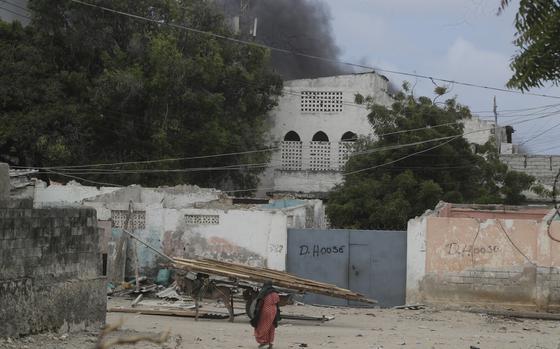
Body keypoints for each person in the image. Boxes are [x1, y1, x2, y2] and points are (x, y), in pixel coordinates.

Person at [250, 281, 281, 349]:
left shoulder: (263, 292)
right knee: (271, 326)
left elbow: (260, 302)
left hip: (266, 310)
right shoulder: (275, 292)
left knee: (262, 325)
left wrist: (257, 311)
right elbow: (277, 303)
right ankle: (270, 342)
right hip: (273, 311)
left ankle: (264, 342)